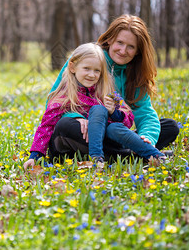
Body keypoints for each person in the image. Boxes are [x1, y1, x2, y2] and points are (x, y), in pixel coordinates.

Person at [37, 14, 179, 165]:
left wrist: (147, 138)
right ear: (110, 39)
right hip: (80, 132)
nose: (123, 51)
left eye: (131, 46)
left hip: (111, 131)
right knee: (66, 127)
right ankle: (135, 155)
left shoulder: (134, 74)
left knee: (170, 127)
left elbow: (143, 113)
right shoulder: (87, 57)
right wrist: (75, 117)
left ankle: (134, 151)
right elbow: (54, 101)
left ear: (138, 50)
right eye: (120, 43)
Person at [23, 43, 166, 171]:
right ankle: (109, 156)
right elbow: (46, 126)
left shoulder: (109, 92)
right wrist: (35, 155)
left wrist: (114, 113)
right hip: (71, 145)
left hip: (103, 139)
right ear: (72, 67)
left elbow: (128, 118)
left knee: (116, 126)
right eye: (86, 68)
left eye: (97, 71)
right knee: (70, 122)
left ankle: (154, 155)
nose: (91, 75)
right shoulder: (63, 95)